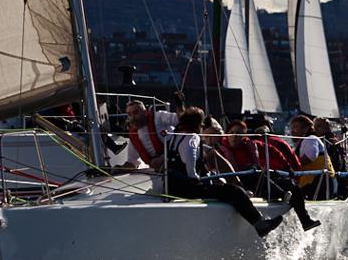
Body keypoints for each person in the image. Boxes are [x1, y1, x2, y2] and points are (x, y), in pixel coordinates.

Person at [163, 107, 284, 237]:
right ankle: (260, 224)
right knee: (234, 191)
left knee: (224, 188)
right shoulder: (192, 137)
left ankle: (259, 222)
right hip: (188, 188)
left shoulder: (173, 137)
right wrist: (194, 176)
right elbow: (189, 155)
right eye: (202, 123)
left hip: (171, 186)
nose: (203, 126)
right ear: (198, 124)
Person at [223, 120, 320, 231]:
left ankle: (305, 220)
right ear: (226, 134)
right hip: (242, 182)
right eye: (232, 132)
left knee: (292, 186)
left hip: (260, 180)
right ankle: (282, 194)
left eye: (239, 133)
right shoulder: (221, 148)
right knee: (252, 172)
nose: (235, 136)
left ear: (245, 135)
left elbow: (274, 152)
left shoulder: (252, 145)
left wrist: (289, 168)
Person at [291, 115, 335, 200]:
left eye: (295, 127)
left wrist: (291, 167)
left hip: (320, 183)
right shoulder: (303, 142)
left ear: (306, 129)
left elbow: (311, 156)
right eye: (291, 128)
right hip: (311, 182)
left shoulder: (311, 139)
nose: (292, 131)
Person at [125, 99, 177, 168]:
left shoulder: (159, 117)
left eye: (136, 113)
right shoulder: (134, 136)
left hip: (175, 158)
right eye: (129, 114)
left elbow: (181, 119)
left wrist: (180, 104)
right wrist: (119, 168)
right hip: (158, 170)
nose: (133, 118)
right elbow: (132, 161)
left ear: (145, 112)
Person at [313, 117, 348, 199]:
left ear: (327, 127)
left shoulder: (329, 142)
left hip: (335, 184)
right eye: (314, 127)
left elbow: (337, 165)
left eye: (319, 126)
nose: (316, 129)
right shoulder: (330, 141)